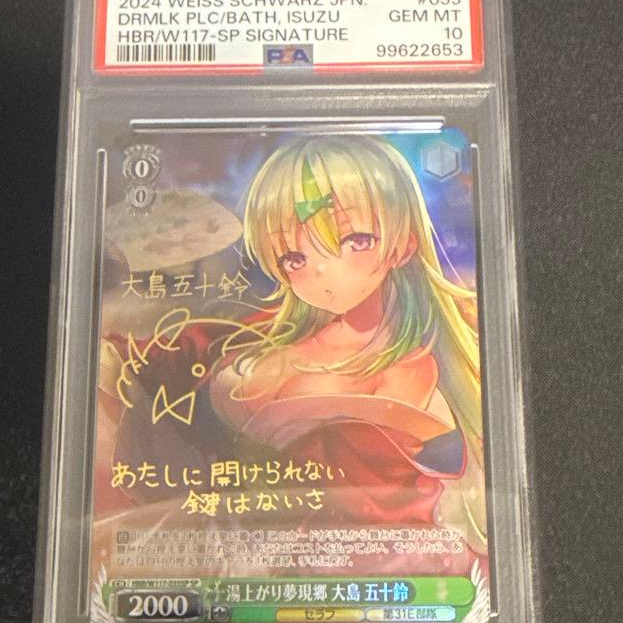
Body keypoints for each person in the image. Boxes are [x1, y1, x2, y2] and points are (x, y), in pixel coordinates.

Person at [208, 135, 488, 554]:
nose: (323, 272)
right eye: (294, 258)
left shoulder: (417, 370)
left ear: (404, 244)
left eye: (355, 240)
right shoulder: (268, 346)